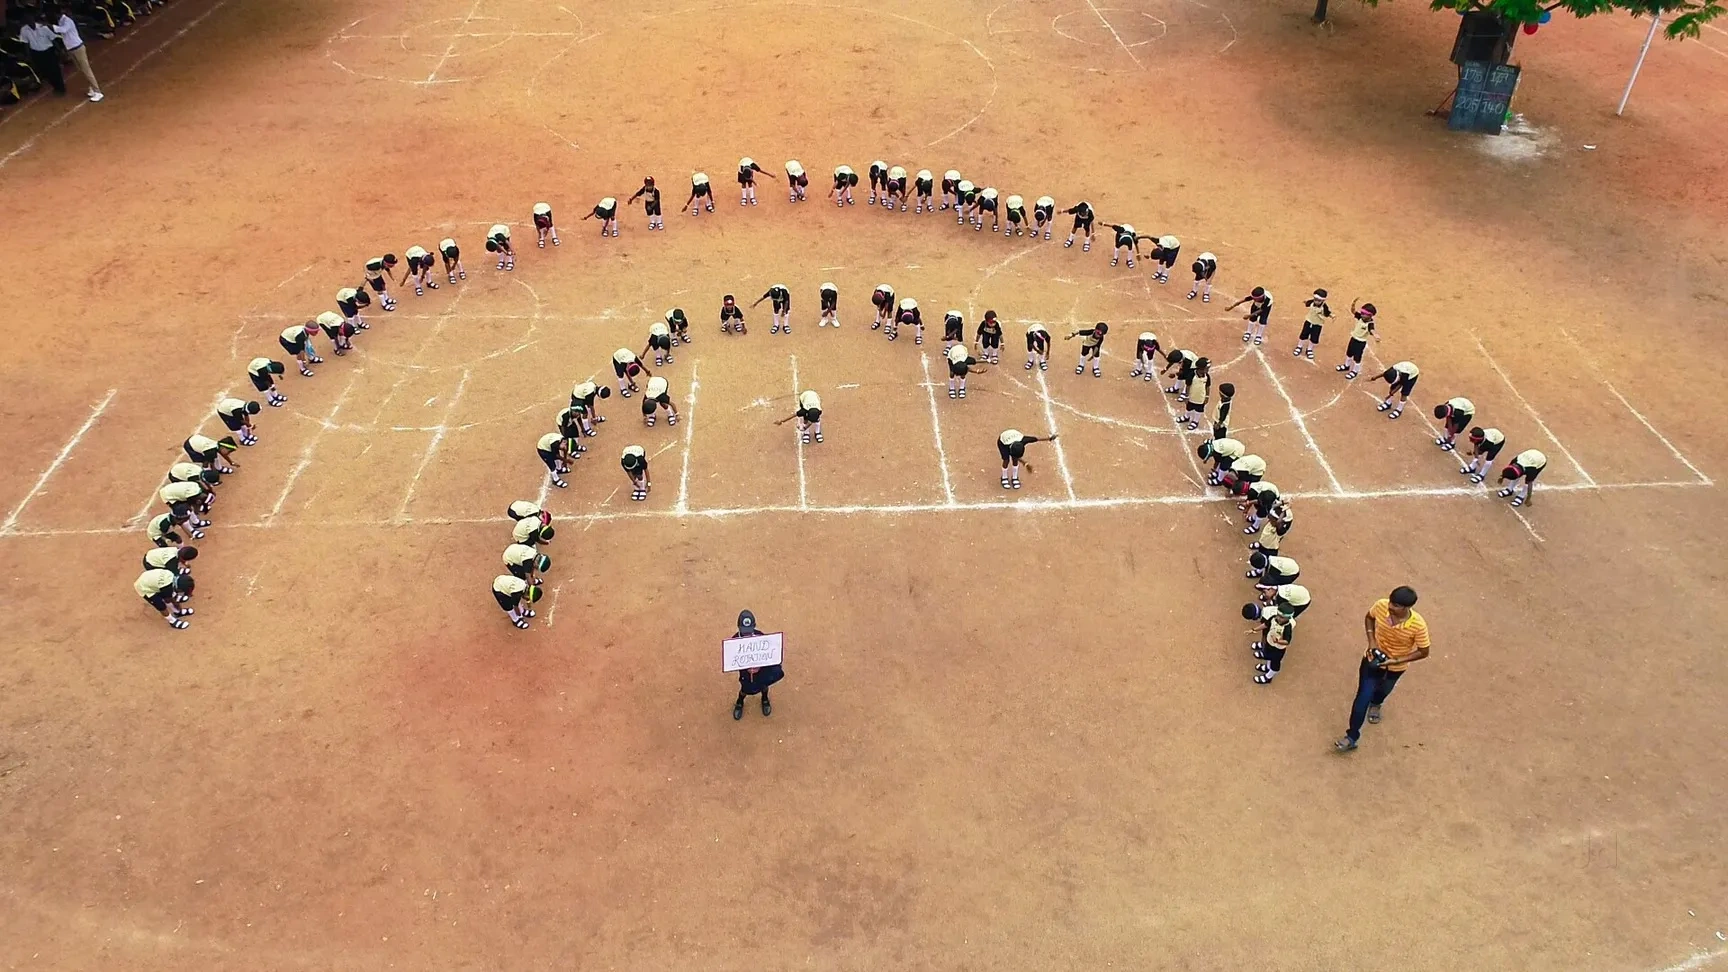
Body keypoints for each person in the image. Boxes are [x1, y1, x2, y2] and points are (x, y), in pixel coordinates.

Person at [1337, 587, 1431, 752]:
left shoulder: (1418, 625)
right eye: (1391, 602)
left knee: (1383, 690)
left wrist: (1396, 661)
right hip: (1372, 660)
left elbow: (1423, 651)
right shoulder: (1381, 605)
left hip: (1396, 667)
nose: (1390, 607)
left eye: (1396, 605)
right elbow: (1369, 617)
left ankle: (1377, 703)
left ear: (1406, 607)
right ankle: (1351, 736)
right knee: (1362, 698)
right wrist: (1372, 642)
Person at [731, 610, 784, 720]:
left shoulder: (761, 637)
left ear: (754, 626)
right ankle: (740, 701)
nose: (747, 634)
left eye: (749, 631)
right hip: (745, 672)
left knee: (764, 685)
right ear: (738, 627)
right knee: (745, 688)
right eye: (744, 631)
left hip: (761, 670)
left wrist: (759, 666)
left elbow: (768, 655)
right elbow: (732, 660)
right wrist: (744, 666)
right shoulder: (734, 641)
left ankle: (765, 699)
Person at [51, 9, 102, 101]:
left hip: (78, 48)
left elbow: (63, 30)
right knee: (81, 69)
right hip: (71, 49)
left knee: (86, 70)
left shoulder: (67, 21)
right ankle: (92, 87)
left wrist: (50, 27)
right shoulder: (60, 21)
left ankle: (98, 91)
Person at [1245, 600, 1295, 684]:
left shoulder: (1287, 627)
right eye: (1278, 615)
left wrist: (1278, 641)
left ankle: (1268, 677)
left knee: (1275, 664)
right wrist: (1254, 630)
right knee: (1268, 657)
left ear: (1288, 618)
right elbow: (1265, 625)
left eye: (1281, 617)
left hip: (1278, 649)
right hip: (1269, 643)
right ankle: (1267, 667)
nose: (1278, 618)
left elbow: (1287, 641)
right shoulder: (1273, 618)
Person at [18, 15, 64, 98]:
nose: (29, 22)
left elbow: (53, 39)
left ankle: (61, 88)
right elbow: (26, 44)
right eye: (27, 20)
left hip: (48, 52)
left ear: (33, 19)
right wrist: (29, 56)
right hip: (37, 53)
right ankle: (55, 86)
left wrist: (59, 50)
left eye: (30, 19)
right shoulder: (24, 30)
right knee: (45, 72)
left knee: (55, 70)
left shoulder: (44, 28)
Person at [1337, 301, 1377, 379]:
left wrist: (1375, 335)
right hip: (1353, 338)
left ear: (1370, 315)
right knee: (1349, 353)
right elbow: (1353, 311)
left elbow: (1372, 330)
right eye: (1361, 313)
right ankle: (1346, 366)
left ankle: (1355, 371)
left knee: (1357, 358)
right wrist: (1353, 305)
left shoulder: (1370, 323)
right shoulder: (1360, 317)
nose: (1361, 314)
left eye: (1364, 314)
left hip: (1360, 342)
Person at [1295, 289, 1331, 360]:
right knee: (1303, 334)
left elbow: (1327, 313)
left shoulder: (1324, 307)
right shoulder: (1311, 302)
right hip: (1309, 321)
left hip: (1318, 324)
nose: (1316, 302)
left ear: (1323, 300)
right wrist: (1305, 302)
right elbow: (1307, 303)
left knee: (1314, 337)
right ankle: (1299, 346)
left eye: (1319, 300)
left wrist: (1331, 315)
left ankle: (1309, 349)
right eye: (1315, 299)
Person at [1181, 357, 1211, 430]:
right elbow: (1188, 385)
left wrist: (1207, 396)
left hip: (1201, 398)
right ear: (1201, 368)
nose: (1208, 370)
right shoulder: (1192, 375)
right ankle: (1186, 417)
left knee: (1199, 409)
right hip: (1192, 396)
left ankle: (1195, 421)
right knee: (1189, 407)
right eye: (1207, 368)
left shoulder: (1207, 377)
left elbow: (1208, 386)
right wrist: (1186, 396)